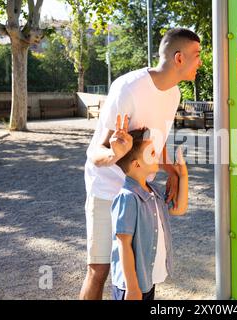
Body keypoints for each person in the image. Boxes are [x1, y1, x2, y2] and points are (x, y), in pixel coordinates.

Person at [80, 28, 202, 300]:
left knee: (138, 273)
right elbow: (95, 152)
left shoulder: (174, 95)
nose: (201, 62)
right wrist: (114, 155)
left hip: (139, 192)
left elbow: (156, 142)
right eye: (197, 55)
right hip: (105, 188)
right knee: (99, 270)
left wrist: (171, 170)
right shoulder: (128, 88)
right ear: (179, 58)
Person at [111, 128, 188, 300]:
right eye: (152, 153)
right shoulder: (127, 197)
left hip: (146, 281)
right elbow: (124, 245)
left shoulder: (153, 192)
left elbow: (179, 209)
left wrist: (183, 176)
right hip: (131, 287)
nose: (157, 156)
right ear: (137, 164)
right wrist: (132, 288)